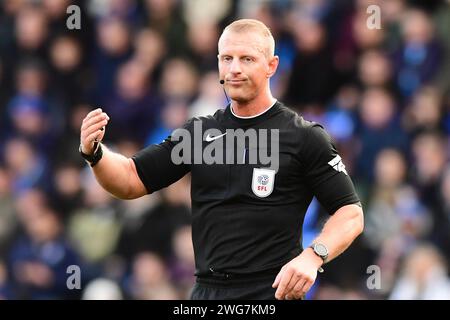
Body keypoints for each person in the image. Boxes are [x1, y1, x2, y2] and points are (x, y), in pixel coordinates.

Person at [79, 19, 364, 300]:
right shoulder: (199, 134)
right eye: (227, 58)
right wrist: (95, 153)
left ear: (272, 66)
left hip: (271, 293)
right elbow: (130, 179)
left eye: (247, 58)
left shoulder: (303, 137)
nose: (235, 68)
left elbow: (350, 213)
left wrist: (314, 256)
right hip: (206, 293)